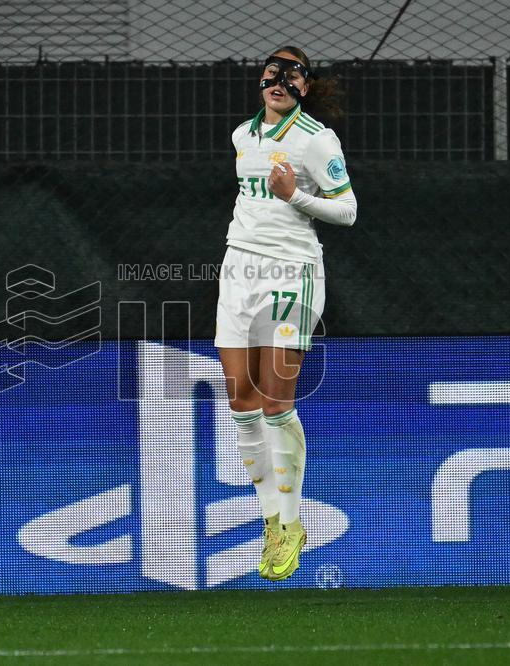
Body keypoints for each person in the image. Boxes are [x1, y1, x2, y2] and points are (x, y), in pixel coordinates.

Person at [215, 45, 357, 581]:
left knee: (277, 399)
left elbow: (347, 209)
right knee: (241, 402)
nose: (279, 79)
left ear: (305, 86)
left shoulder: (317, 140)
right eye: (272, 71)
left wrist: (295, 194)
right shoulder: (242, 136)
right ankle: (272, 523)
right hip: (238, 272)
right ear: (260, 81)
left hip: (291, 273)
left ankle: (295, 523)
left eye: (291, 73)